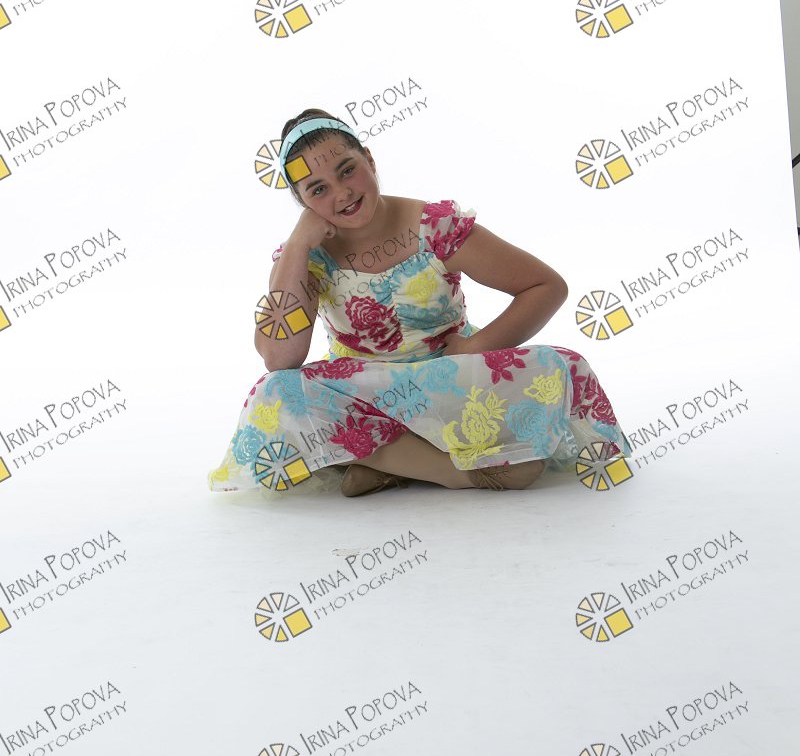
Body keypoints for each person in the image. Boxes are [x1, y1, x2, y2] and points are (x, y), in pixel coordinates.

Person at [208, 109, 633, 497]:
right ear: (303, 203)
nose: (342, 193)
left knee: (563, 365)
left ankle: (384, 464)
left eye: (347, 170)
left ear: (369, 159)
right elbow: (280, 357)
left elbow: (545, 286)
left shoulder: (433, 227)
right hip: (364, 394)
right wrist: (298, 246)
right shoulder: (306, 258)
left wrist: (475, 347)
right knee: (276, 393)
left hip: (447, 381)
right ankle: (460, 473)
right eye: (318, 189)